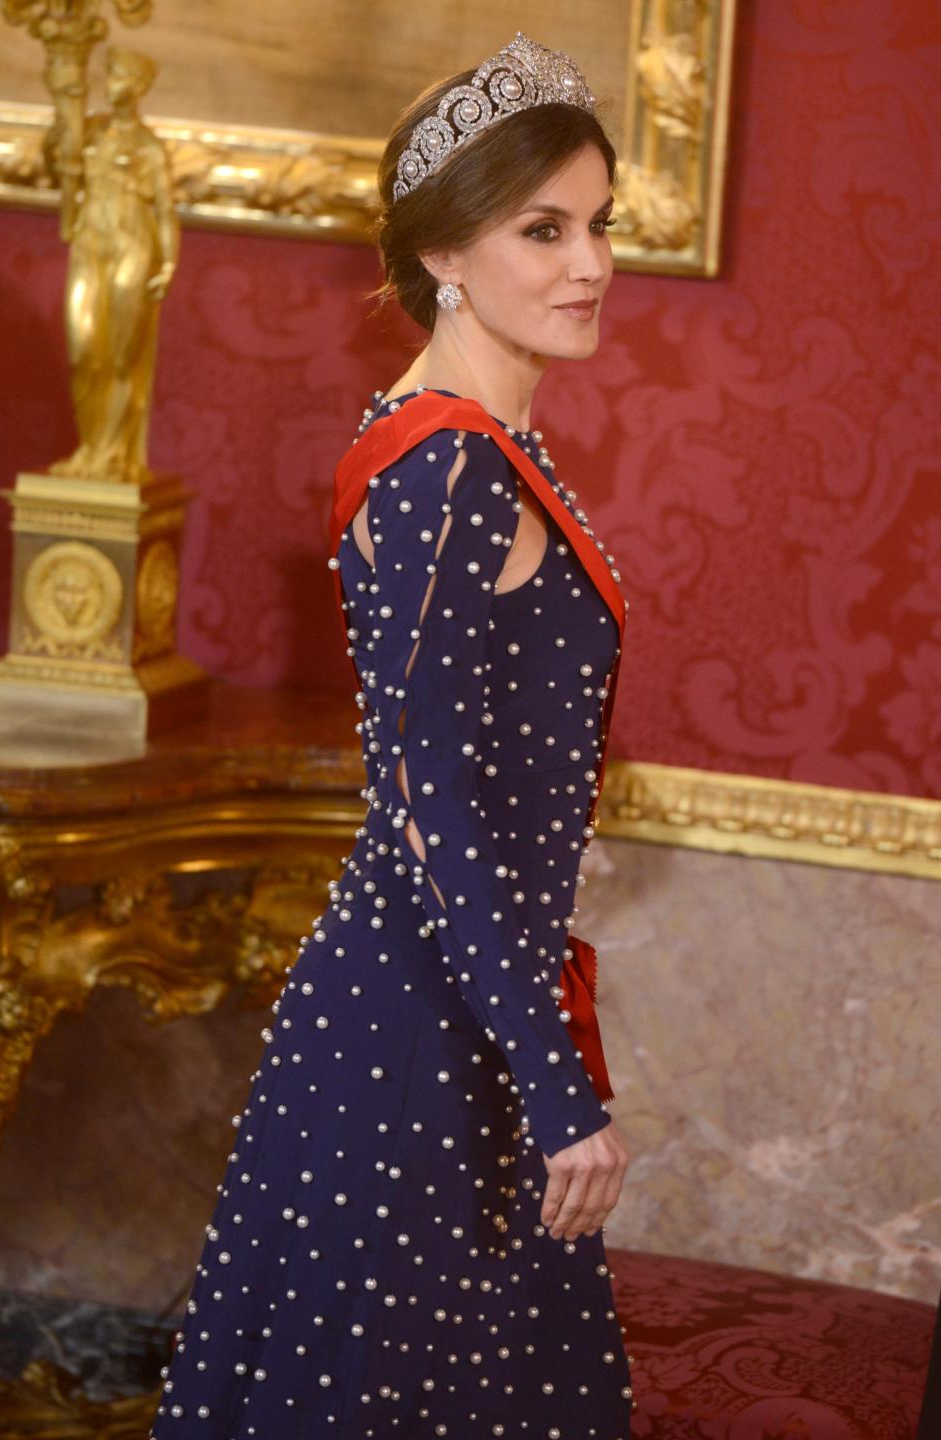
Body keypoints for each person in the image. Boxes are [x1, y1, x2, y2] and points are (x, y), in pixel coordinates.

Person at [149, 32, 634, 1439]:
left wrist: (535, 1056)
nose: (589, 264)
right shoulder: (445, 467)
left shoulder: (479, 445)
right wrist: (556, 1091)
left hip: (464, 1011)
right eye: (541, 230)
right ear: (444, 256)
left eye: (600, 224)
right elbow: (438, 809)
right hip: (420, 1034)